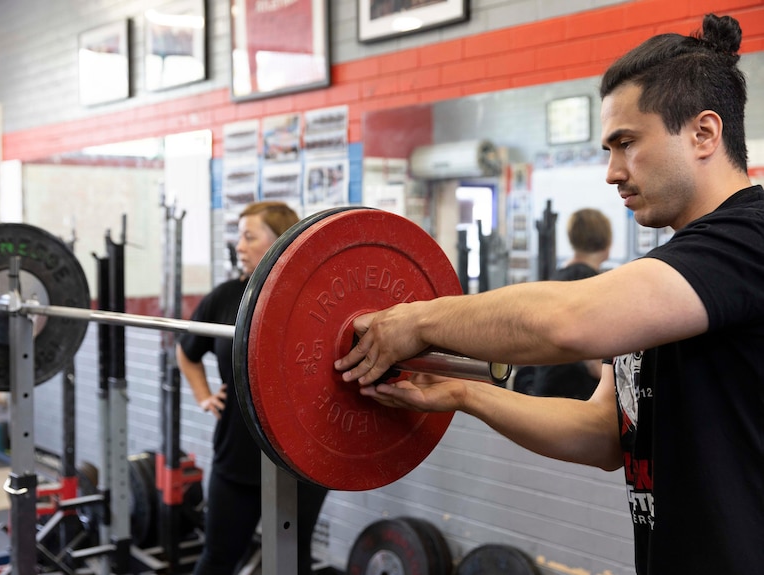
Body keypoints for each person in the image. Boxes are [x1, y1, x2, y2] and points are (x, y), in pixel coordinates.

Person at [336, 13, 762, 575]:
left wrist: (417, 321)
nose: (612, 173)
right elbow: (603, 434)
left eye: (626, 143)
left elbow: (567, 322)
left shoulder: (752, 238)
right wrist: (465, 396)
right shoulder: (670, 278)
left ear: (703, 133)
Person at [177, 201, 328, 575]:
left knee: (294, 562)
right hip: (237, 455)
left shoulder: (317, 300)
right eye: (238, 237)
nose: (239, 246)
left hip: (301, 457)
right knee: (218, 559)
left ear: (281, 241)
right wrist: (204, 396)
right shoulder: (226, 297)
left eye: (249, 236)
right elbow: (187, 352)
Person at [529, 208, 613, 399]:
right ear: (608, 244)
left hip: (547, 388)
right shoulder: (592, 283)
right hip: (574, 394)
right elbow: (593, 361)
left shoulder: (559, 276)